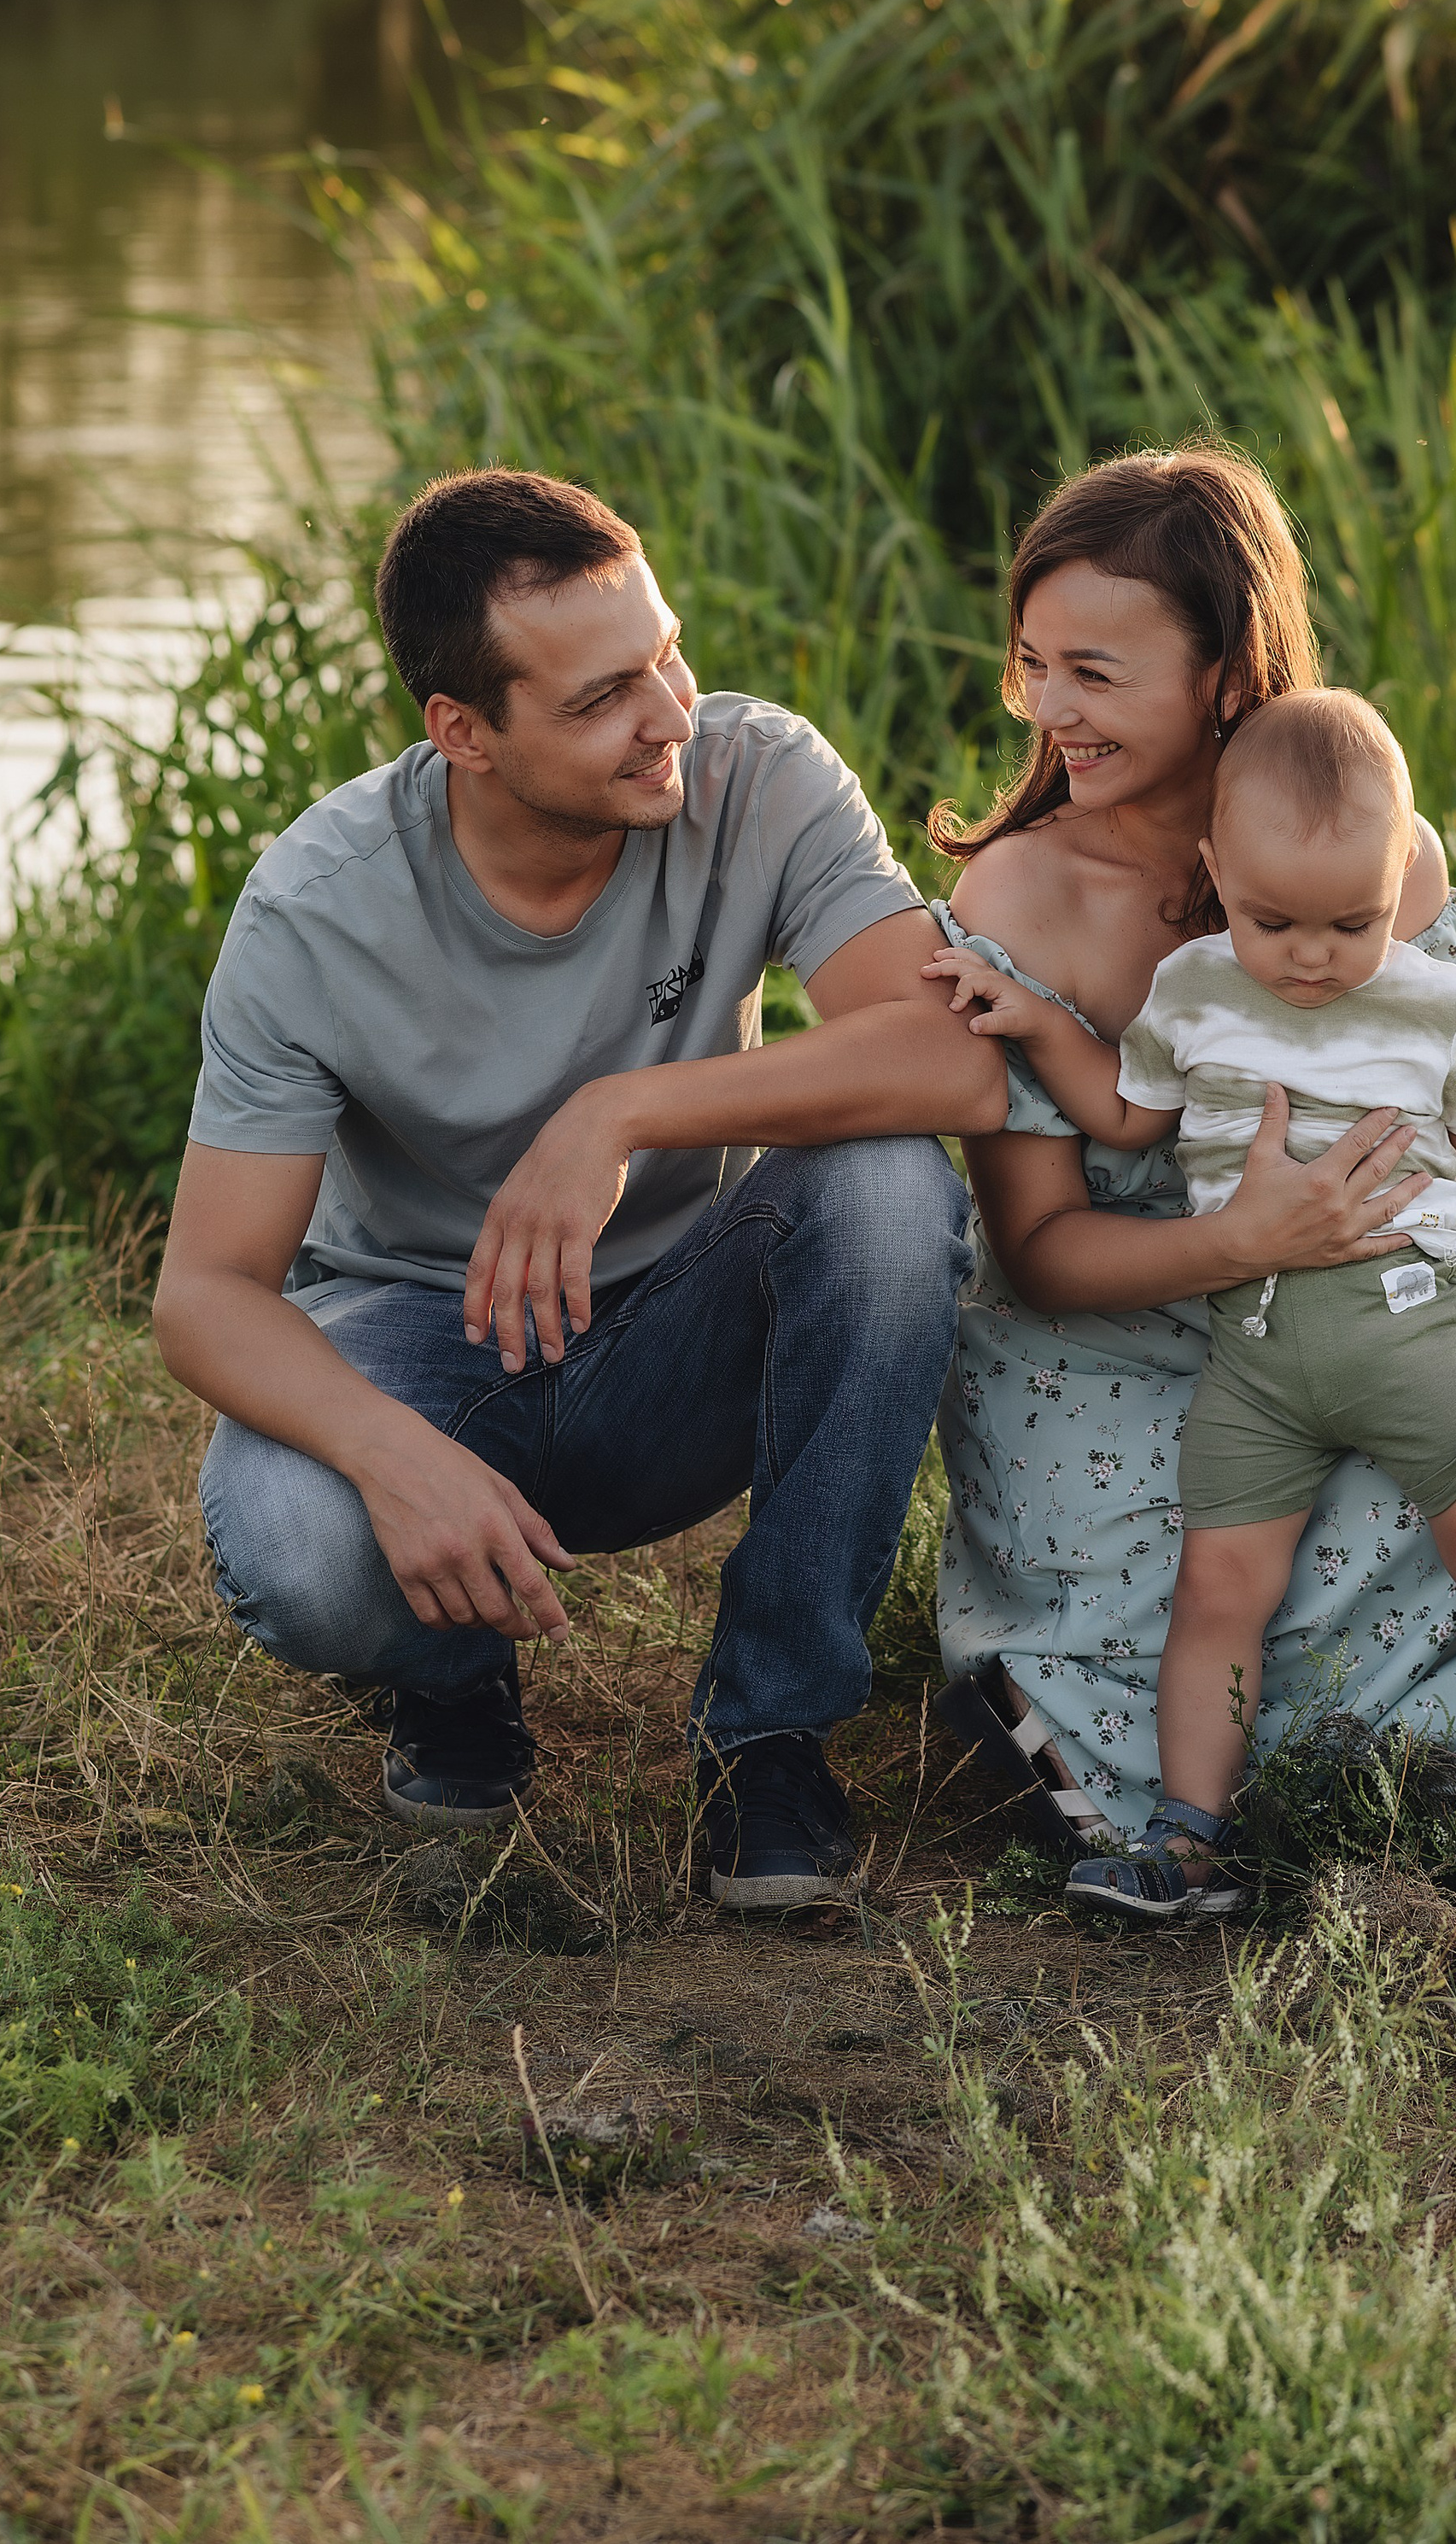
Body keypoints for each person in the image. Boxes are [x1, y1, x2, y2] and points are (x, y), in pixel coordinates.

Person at [153, 465, 1003, 1910]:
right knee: (294, 1537)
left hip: (689, 1334)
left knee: (883, 1190)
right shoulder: (315, 908)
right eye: (604, 696)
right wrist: (390, 1453)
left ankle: (770, 1738)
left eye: (667, 654)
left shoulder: (760, 774)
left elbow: (948, 1059)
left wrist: (618, 1112)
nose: (669, 714)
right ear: (464, 732)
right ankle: (452, 1689)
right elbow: (205, 1293)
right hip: (430, 1347)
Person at [923, 446, 1456, 1863]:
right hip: (1113, 1326)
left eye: (1098, 674)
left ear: (1226, 672)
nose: (1055, 711)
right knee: (1184, 1550)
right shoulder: (1021, 893)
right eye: (1033, 665)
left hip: (1356, 1299)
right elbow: (1042, 1250)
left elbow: (1412, 1138)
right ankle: (1146, 1769)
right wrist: (1244, 1240)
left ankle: (1418, 1780)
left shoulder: (1377, 858)